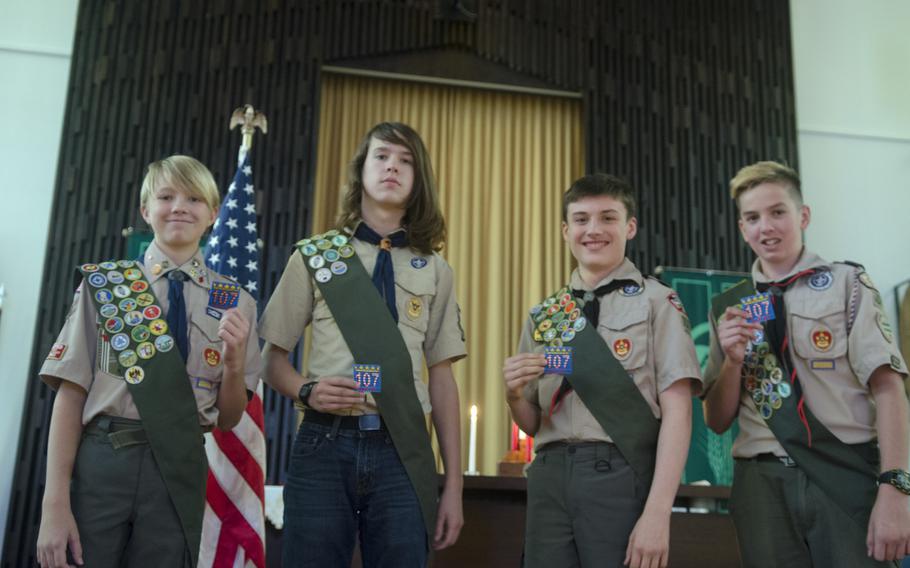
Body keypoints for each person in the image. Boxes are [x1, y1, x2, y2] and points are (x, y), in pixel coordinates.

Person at [36, 155, 261, 568]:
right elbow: (70, 395)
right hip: (105, 457)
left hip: (178, 465)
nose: (179, 206)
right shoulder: (106, 287)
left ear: (213, 214)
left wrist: (233, 365)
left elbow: (229, 419)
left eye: (194, 198)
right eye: (166, 196)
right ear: (145, 210)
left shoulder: (236, 301)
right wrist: (54, 505)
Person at [260, 122, 466, 567]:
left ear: (418, 179)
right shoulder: (315, 256)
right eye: (382, 156)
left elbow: (443, 378)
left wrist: (453, 486)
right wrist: (306, 390)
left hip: (403, 447)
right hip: (323, 442)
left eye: (406, 160)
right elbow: (272, 361)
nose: (393, 165)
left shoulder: (435, 269)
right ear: (361, 171)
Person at [702, 160, 910, 567]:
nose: (766, 226)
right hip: (762, 485)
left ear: (804, 215)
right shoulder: (730, 308)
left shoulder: (848, 285)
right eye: (753, 217)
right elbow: (716, 419)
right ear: (742, 228)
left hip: (845, 471)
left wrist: (896, 486)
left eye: (778, 211)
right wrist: (731, 362)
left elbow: (889, 389)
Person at [502, 173, 701, 568]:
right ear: (565, 230)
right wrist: (512, 396)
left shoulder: (658, 301)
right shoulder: (546, 314)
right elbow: (534, 423)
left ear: (630, 226)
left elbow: (679, 412)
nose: (593, 230)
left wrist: (659, 513)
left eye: (607, 218)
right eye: (581, 219)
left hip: (619, 475)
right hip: (549, 476)